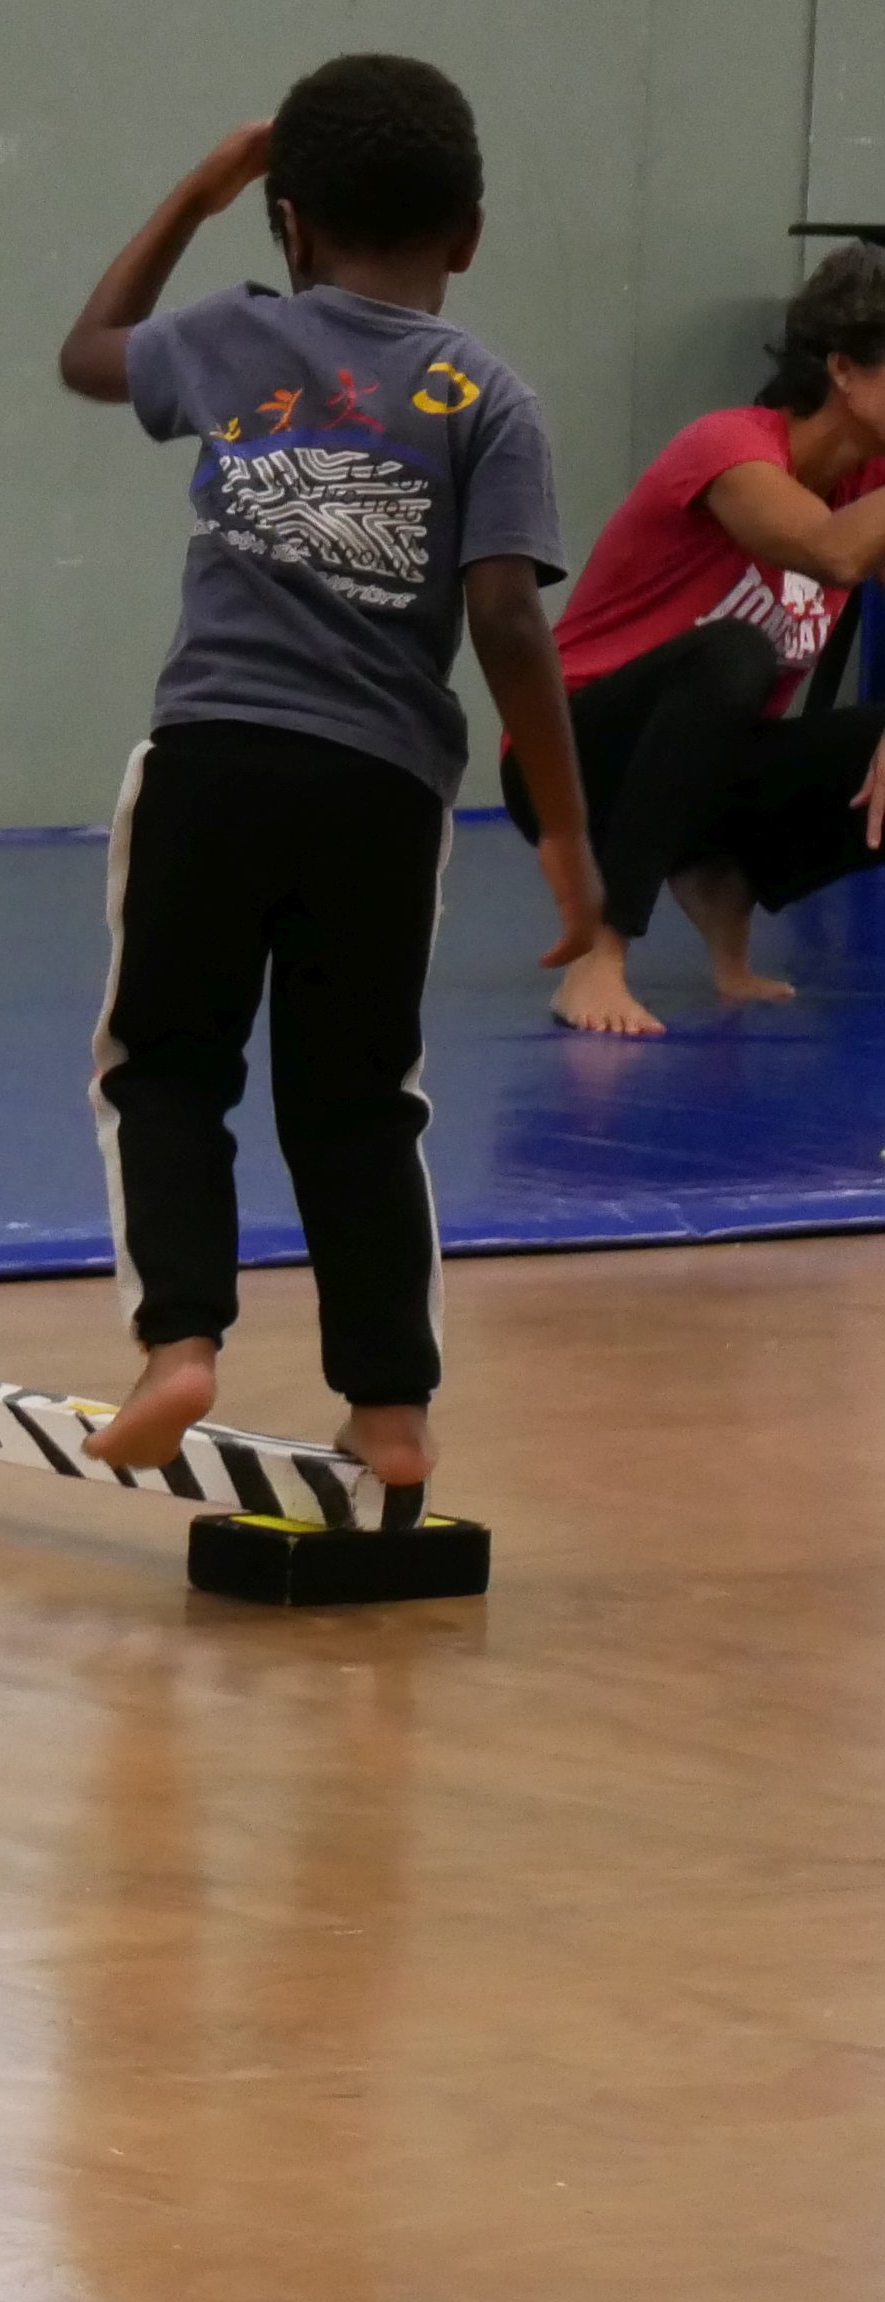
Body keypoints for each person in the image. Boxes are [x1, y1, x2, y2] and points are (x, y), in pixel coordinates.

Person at [57, 57, 601, 1494]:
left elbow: (89, 351)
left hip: (212, 760)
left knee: (164, 1064)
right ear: (467, 234)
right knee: (358, 1096)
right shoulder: (491, 397)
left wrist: (196, 193)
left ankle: (180, 1344)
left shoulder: (232, 336)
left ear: (287, 223)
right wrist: (563, 837)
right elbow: (506, 620)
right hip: (380, 793)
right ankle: (391, 1409)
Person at [512, 248, 885, 1037]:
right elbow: (832, 552)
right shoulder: (729, 449)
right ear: (844, 369)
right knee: (735, 651)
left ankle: (717, 876)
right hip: (568, 762)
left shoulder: (866, 488)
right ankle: (596, 955)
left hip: (700, 767)